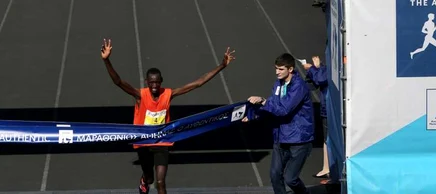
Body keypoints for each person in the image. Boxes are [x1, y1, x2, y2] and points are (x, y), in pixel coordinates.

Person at [100, 38, 235, 194]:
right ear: (147, 82)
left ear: (161, 81)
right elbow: (118, 82)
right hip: (143, 143)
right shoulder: (140, 95)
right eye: (151, 83)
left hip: (162, 142)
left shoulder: (168, 94)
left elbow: (198, 83)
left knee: (160, 182)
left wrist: (222, 65)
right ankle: (145, 180)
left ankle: (152, 182)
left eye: (157, 82)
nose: (155, 86)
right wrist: (107, 60)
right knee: (150, 179)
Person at [242, 53, 314, 194]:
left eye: (281, 69)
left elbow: (283, 110)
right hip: (280, 136)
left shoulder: (299, 87)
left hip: (298, 139)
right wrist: (254, 115)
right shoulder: (278, 84)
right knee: (275, 175)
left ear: (290, 69)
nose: (277, 72)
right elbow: (273, 105)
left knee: (290, 179)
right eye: (276, 68)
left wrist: (263, 101)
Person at [302, 56, 332, 184]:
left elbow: (321, 79)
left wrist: (314, 69)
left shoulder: (334, 64)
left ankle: (330, 169)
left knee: (329, 138)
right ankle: (327, 167)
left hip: (329, 107)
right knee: (327, 139)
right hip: (328, 105)